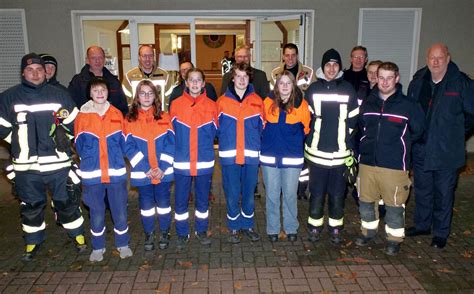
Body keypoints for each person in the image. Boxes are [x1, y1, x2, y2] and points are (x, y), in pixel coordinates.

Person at [0, 53, 86, 261]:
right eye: (30, 70)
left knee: (67, 201)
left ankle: (78, 236)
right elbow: (2, 128)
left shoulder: (59, 95)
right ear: (23, 72)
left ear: (45, 72)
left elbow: (75, 124)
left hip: (58, 163)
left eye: (39, 69)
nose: (36, 73)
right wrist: (21, 143)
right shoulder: (9, 97)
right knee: (31, 206)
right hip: (25, 167)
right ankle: (32, 241)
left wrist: (62, 139)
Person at [406, 43, 474, 249]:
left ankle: (441, 233)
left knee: (444, 192)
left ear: (448, 58)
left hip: (447, 150)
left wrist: (455, 135)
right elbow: (411, 109)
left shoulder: (460, 83)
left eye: (440, 57)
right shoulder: (419, 80)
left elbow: (471, 115)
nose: (435, 62)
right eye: (431, 58)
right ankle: (422, 225)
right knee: (423, 189)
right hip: (421, 148)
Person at [354, 62, 425, 256]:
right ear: (376, 78)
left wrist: (398, 148)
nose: (384, 82)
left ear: (397, 79)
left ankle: (394, 239)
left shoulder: (408, 105)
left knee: (394, 204)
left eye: (389, 78)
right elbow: (360, 128)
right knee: (366, 201)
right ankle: (368, 232)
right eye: (381, 77)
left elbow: (418, 132)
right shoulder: (368, 103)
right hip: (367, 163)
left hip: (394, 165)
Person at [75, 78, 145, 262]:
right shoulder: (82, 117)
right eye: (95, 90)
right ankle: (98, 247)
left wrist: (142, 164)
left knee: (120, 212)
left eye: (103, 90)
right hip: (92, 176)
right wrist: (90, 162)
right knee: (96, 214)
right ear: (90, 93)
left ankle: (123, 244)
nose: (99, 93)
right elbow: (79, 145)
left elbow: (126, 143)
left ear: (108, 93)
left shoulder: (116, 114)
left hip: (115, 174)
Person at [304, 48, 358, 245]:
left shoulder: (348, 89)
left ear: (340, 68)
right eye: (328, 65)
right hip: (317, 154)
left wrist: (344, 139)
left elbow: (353, 120)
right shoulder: (312, 90)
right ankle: (314, 228)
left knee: (337, 195)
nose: (332, 68)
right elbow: (305, 120)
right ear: (322, 67)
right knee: (316, 194)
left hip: (341, 156)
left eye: (335, 65)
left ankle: (336, 228)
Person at [169, 68, 218, 250]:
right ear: (186, 83)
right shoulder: (175, 105)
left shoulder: (212, 105)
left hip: (204, 160)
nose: (195, 83)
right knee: (181, 199)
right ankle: (182, 233)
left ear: (204, 83)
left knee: (202, 199)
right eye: (192, 80)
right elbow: (171, 133)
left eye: (198, 80)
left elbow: (215, 132)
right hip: (182, 161)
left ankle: (201, 230)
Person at [125, 80, 175, 251]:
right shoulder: (129, 120)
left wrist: (161, 167)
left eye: (150, 93)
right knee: (146, 207)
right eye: (142, 93)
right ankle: (149, 233)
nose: (146, 96)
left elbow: (171, 143)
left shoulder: (164, 117)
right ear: (137, 97)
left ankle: (165, 232)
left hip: (164, 172)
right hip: (143, 173)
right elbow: (128, 147)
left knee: (163, 204)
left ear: (155, 96)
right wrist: (146, 168)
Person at [260, 71, 310, 242]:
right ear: (276, 85)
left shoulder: (301, 105)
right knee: (272, 195)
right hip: (269, 157)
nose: (285, 86)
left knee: (289, 195)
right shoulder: (267, 103)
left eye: (288, 83)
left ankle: (290, 228)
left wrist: (292, 142)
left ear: (294, 85)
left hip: (291, 158)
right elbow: (261, 125)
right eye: (282, 83)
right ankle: (273, 229)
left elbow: (306, 129)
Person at [217, 62, 264, 243]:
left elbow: (262, 128)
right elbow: (216, 129)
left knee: (248, 193)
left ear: (249, 78)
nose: (242, 80)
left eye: (245, 77)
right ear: (233, 78)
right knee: (232, 192)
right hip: (230, 157)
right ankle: (234, 227)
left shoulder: (257, 101)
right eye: (238, 76)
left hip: (251, 156)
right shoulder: (222, 102)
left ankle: (248, 225)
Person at [270, 43, 316, 201]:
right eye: (287, 55)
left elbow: (312, 97)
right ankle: (284, 188)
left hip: (301, 121)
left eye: (293, 55)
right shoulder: (276, 74)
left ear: (297, 56)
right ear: (283, 56)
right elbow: (272, 97)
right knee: (284, 158)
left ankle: (301, 189)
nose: (290, 58)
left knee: (302, 162)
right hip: (282, 122)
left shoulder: (308, 73)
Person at [68, 45, 128, 116]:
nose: (97, 61)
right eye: (93, 58)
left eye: (100, 57)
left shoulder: (114, 81)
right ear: (87, 60)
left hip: (111, 124)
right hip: (86, 123)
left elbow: (123, 108)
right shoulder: (77, 82)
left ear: (104, 59)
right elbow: (71, 106)